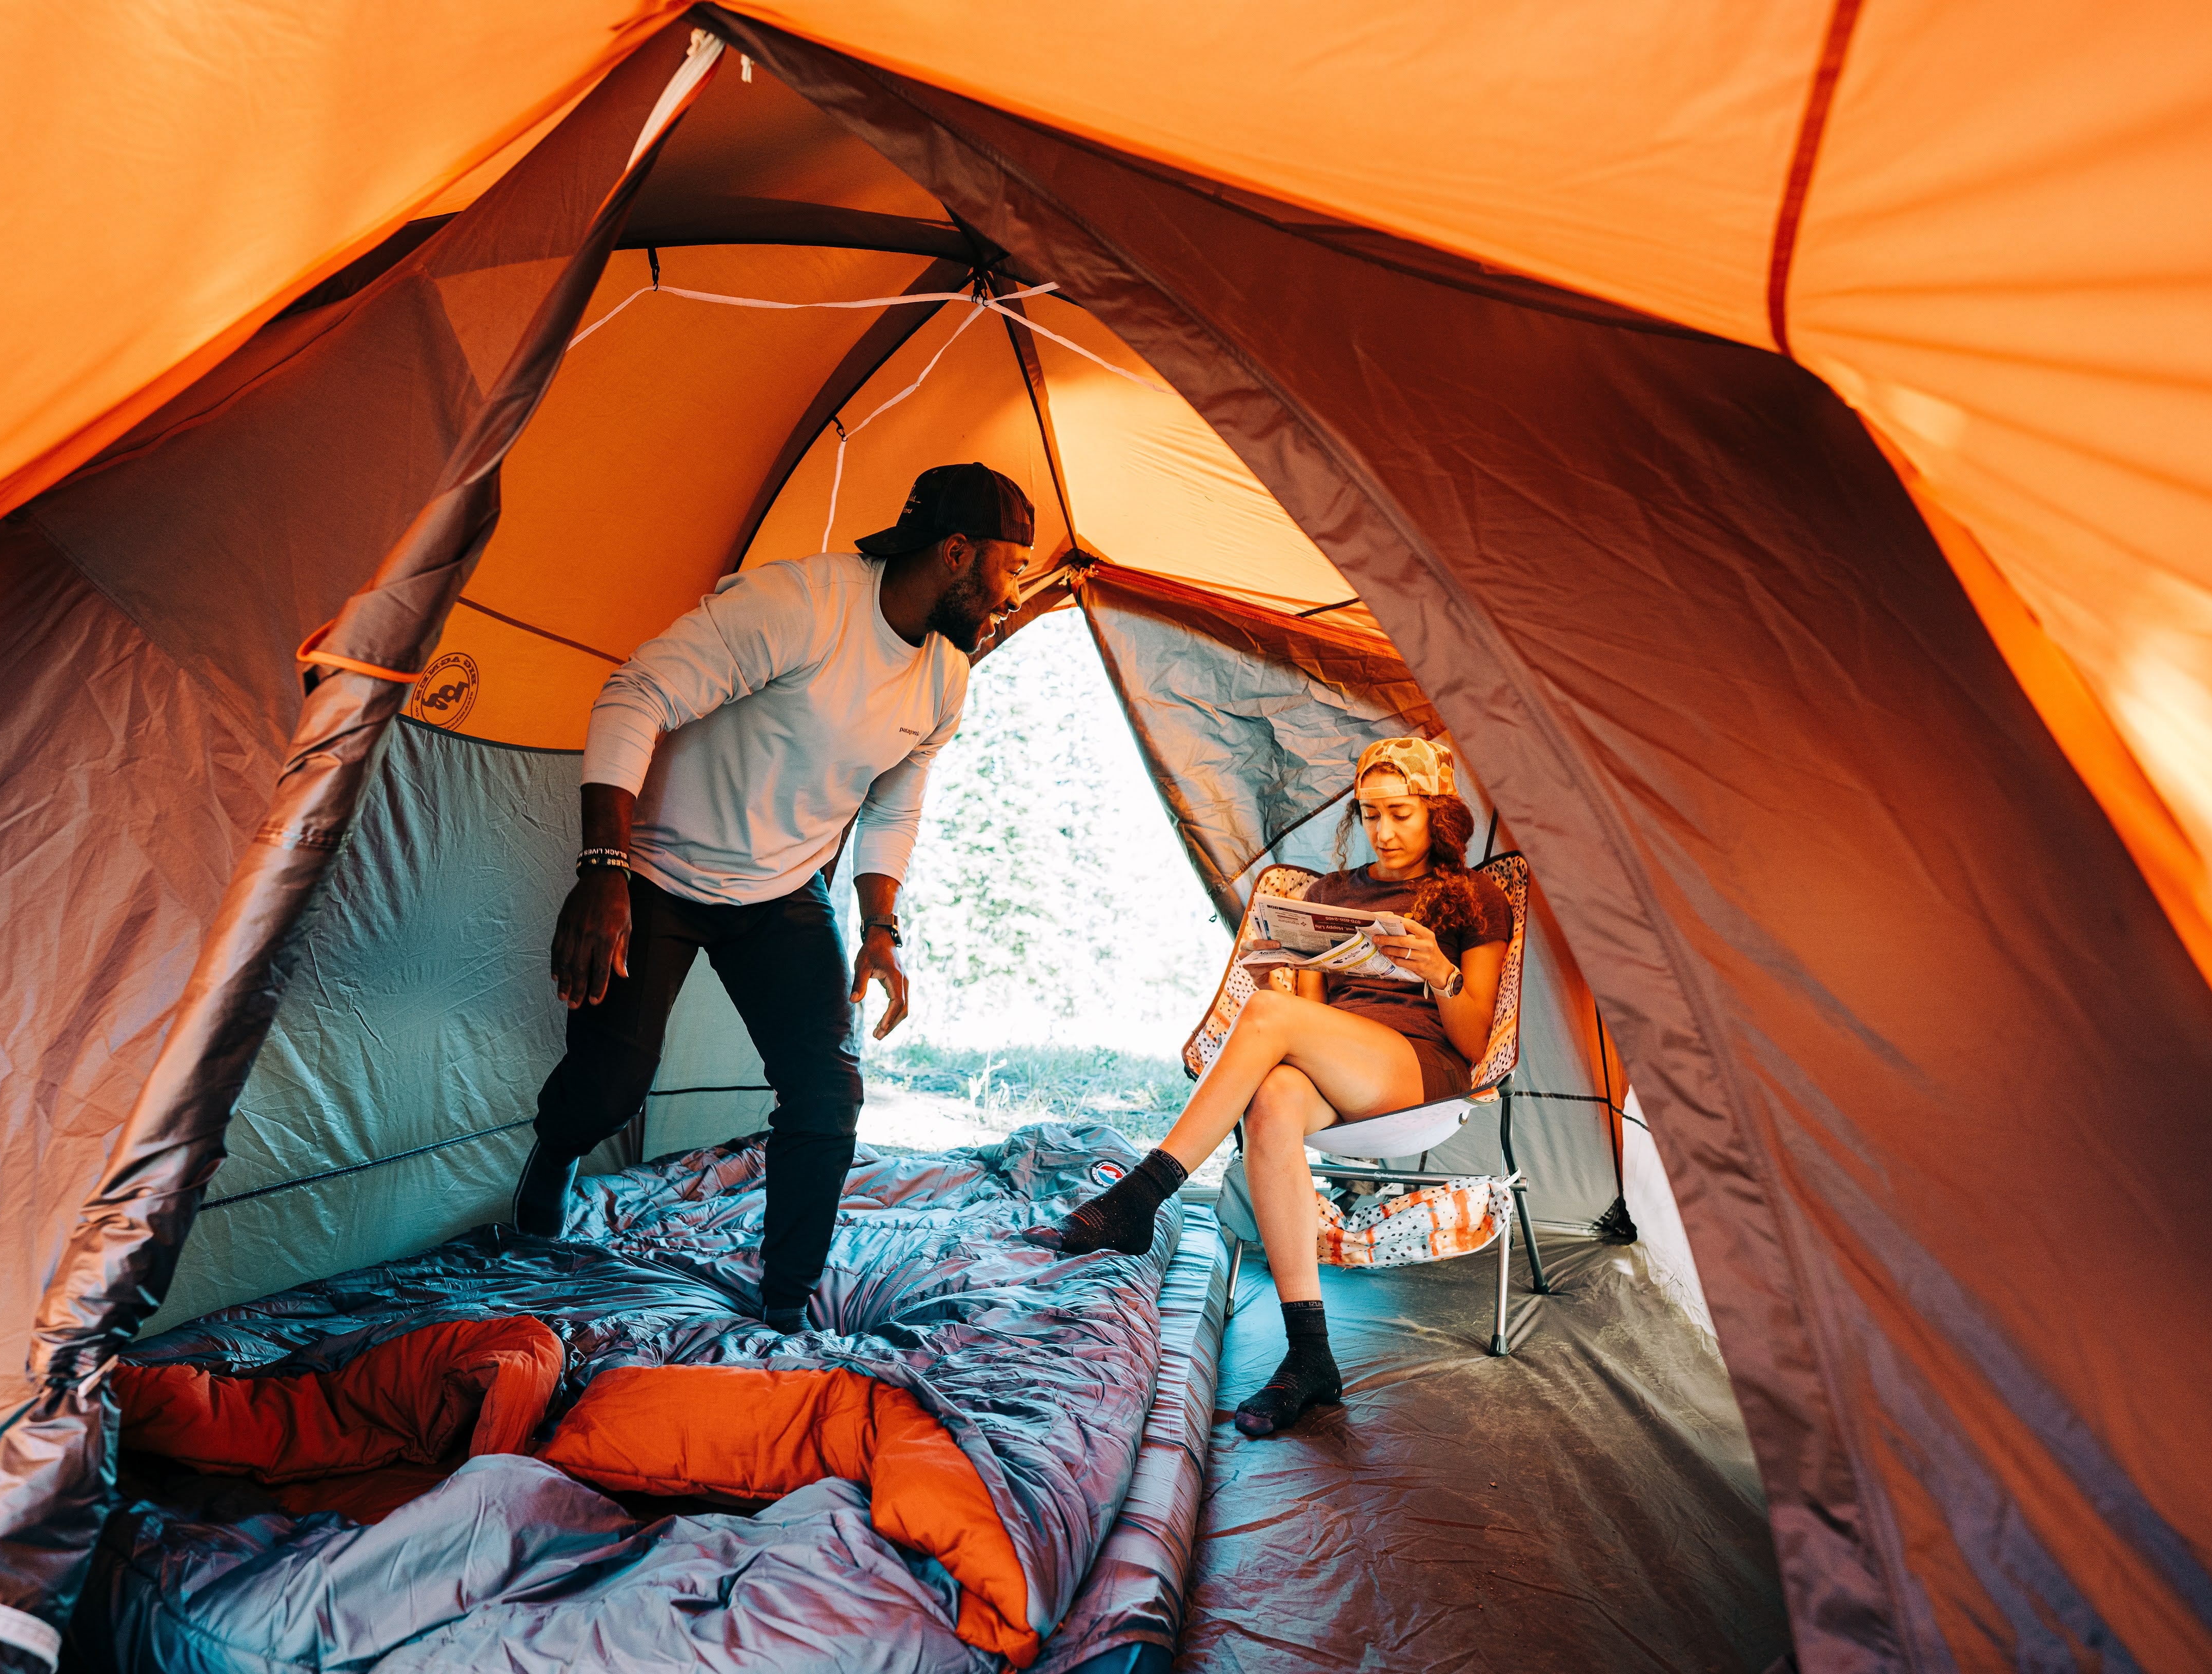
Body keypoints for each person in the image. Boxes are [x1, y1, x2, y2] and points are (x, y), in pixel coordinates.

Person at [516, 462, 1036, 1336]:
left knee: (827, 1097)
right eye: (1011, 567)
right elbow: (633, 692)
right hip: (656, 872)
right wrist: (603, 868)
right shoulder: (800, 604)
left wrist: (880, 925)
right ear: (955, 553)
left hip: (782, 889)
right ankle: (555, 1153)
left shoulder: (947, 678)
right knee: (609, 1087)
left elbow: (895, 801)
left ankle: (784, 1303)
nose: (1014, 593)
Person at [1054, 736, 1510, 1435]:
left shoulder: (1472, 896)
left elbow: (1478, 1043)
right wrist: (1288, 978)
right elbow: (1316, 1013)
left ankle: (1139, 1194)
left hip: (1423, 1068)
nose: (1383, 832)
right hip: (1340, 1058)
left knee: (1267, 1019)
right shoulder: (1331, 893)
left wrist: (1437, 970)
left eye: (1399, 814)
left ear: (1436, 815)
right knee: (1271, 1100)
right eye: (1368, 814)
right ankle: (1309, 1354)